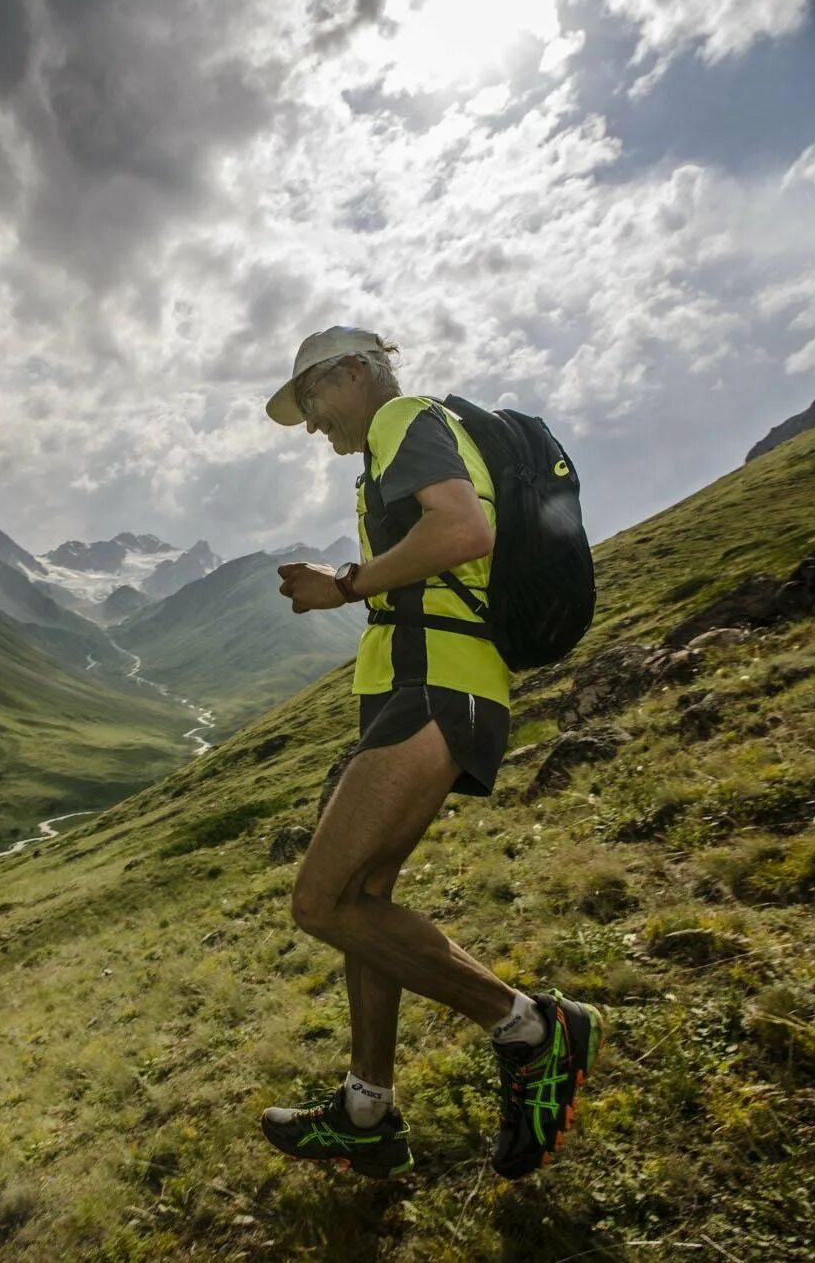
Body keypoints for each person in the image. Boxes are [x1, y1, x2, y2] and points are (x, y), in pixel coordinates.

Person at [257, 325, 603, 1181]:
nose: (308, 424)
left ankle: (531, 1026)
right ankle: (366, 1110)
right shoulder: (390, 447)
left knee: (322, 901)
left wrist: (341, 584)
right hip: (431, 683)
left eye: (310, 399)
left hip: (434, 684)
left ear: (350, 372)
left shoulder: (403, 417)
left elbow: (462, 532)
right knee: (367, 900)